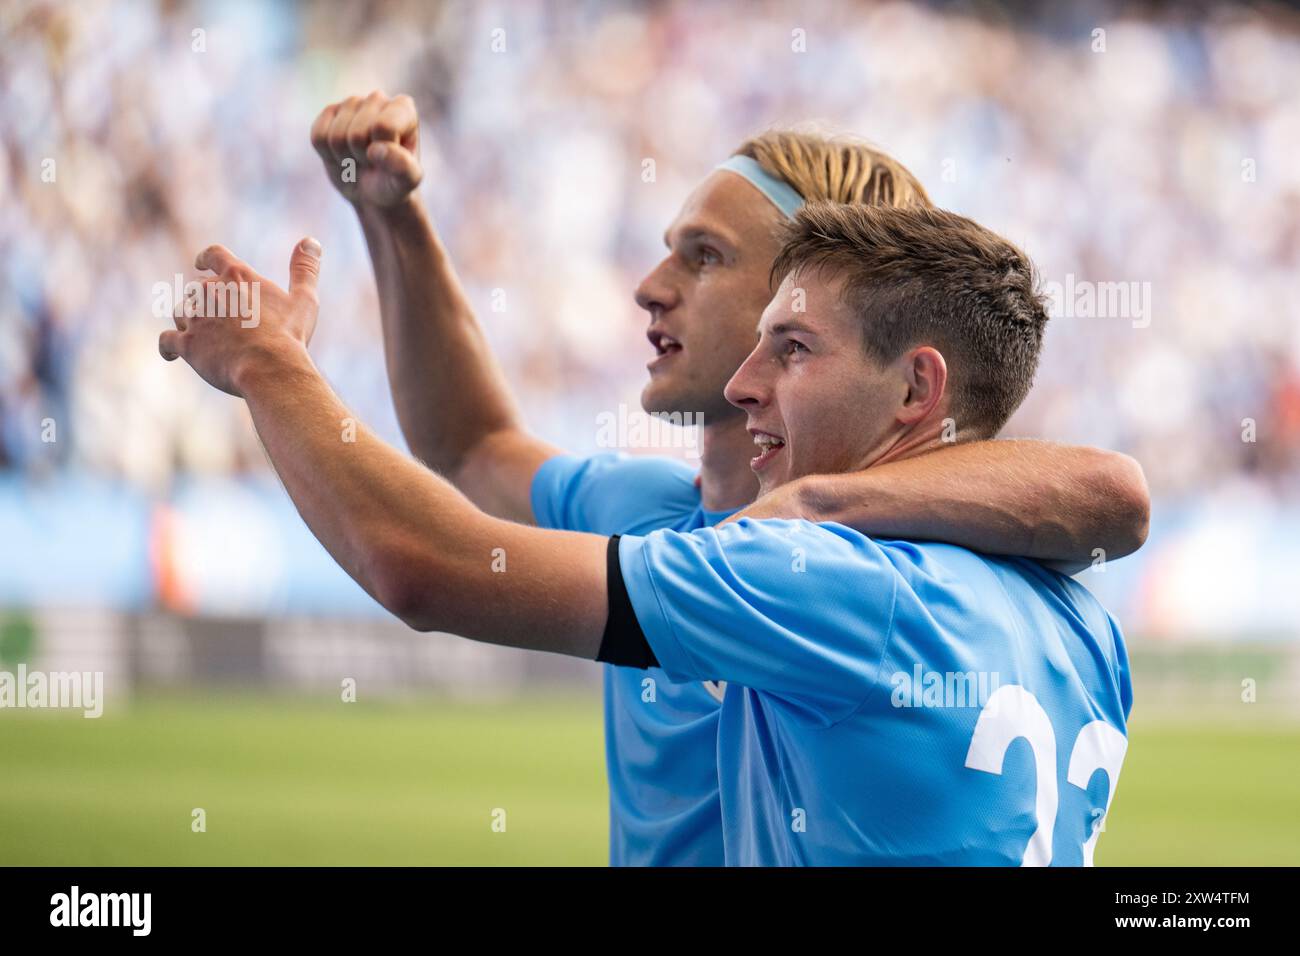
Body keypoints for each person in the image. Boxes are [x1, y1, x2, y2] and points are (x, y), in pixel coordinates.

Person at [299, 93, 1146, 864]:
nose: (648, 288)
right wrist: (393, 216)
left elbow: (421, 564)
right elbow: (473, 442)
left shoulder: (834, 578)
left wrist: (270, 364)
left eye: (704, 256)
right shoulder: (653, 512)